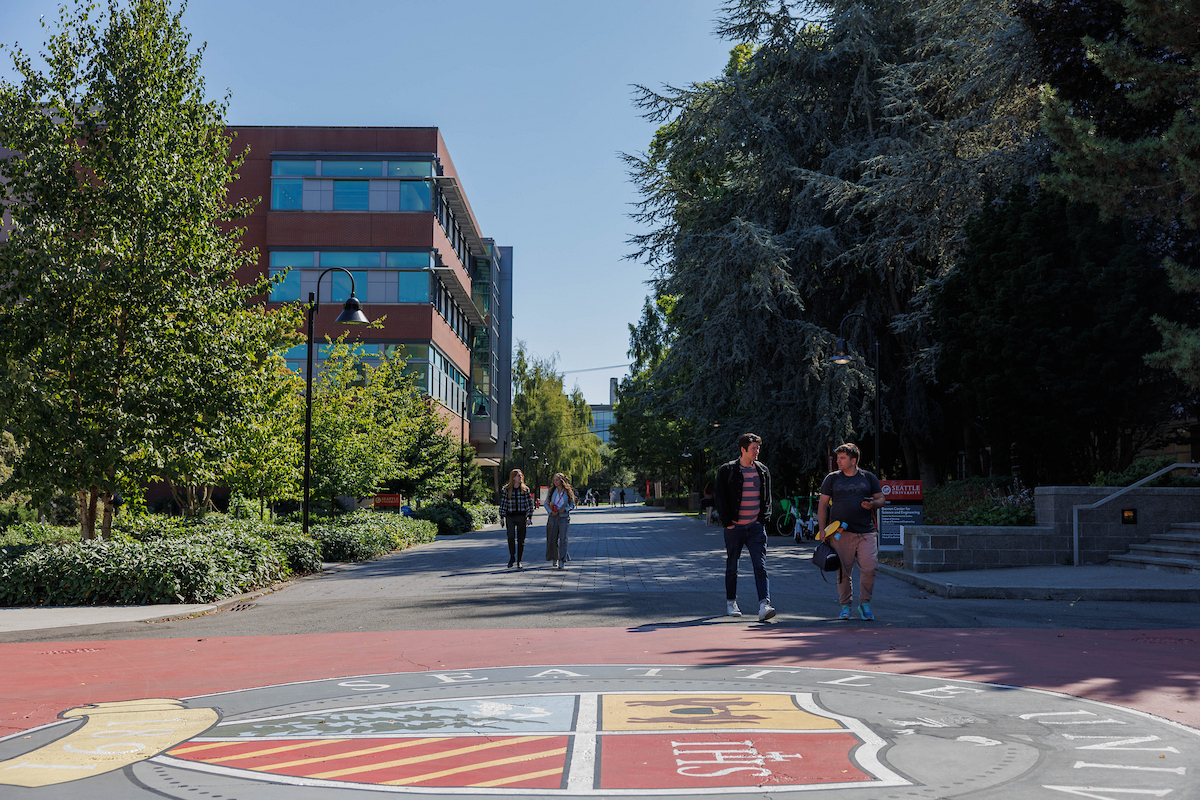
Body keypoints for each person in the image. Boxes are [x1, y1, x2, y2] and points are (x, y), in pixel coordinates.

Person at [817, 442, 885, 621]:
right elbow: (823, 505)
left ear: (854, 460)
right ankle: (845, 606)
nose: (838, 461)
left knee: (870, 567)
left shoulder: (868, 478)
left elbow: (881, 499)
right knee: (843, 572)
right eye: (838, 458)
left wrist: (873, 504)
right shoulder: (832, 479)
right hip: (840, 533)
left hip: (866, 532)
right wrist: (822, 530)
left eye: (842, 458)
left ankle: (865, 604)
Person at [713, 433, 775, 621]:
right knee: (733, 565)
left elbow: (767, 497)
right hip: (735, 528)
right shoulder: (728, 470)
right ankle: (731, 602)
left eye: (758, 448)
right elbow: (720, 498)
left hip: (755, 528)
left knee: (760, 566)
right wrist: (728, 524)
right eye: (754, 448)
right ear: (743, 449)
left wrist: (762, 520)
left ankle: (764, 604)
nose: (757, 452)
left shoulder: (762, 470)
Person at [498, 468, 534, 569]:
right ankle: (512, 557)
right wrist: (501, 517)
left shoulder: (525, 490)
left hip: (521, 516)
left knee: (521, 539)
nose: (521, 477)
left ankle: (519, 560)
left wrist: (529, 517)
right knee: (510, 537)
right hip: (510, 516)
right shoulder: (507, 490)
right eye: (518, 476)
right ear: (513, 478)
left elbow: (529, 504)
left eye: (521, 475)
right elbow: (503, 504)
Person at [546, 473, 576, 569]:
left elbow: (572, 505)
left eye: (557, 480)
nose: (555, 482)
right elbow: (546, 503)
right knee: (553, 539)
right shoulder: (551, 491)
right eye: (554, 480)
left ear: (562, 481)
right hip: (553, 517)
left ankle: (562, 560)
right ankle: (555, 557)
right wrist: (551, 511)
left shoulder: (567, 492)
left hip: (564, 517)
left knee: (563, 539)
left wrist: (566, 509)